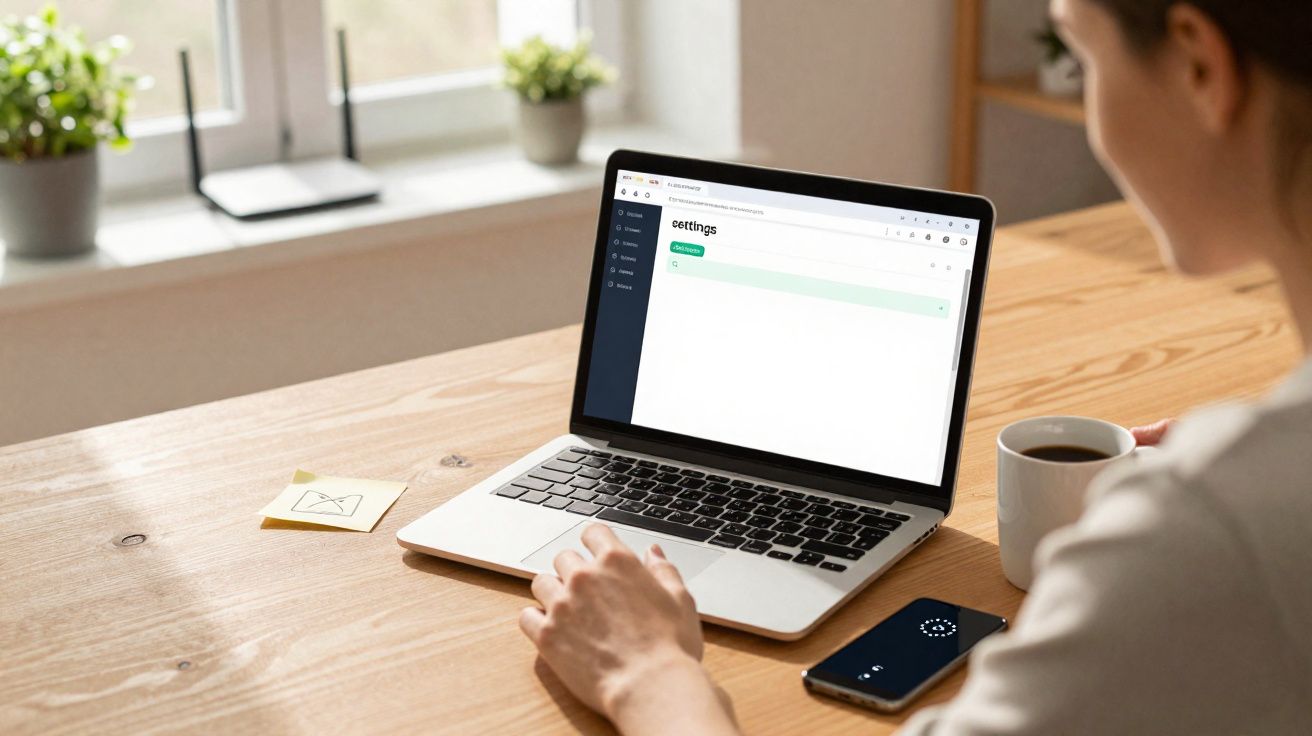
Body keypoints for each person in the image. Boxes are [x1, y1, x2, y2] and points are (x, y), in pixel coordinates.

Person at [517, 0, 1312, 732]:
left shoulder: (1205, 533)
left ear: (1200, 66)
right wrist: (1253, 460)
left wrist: (648, 674)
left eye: (1084, 54)